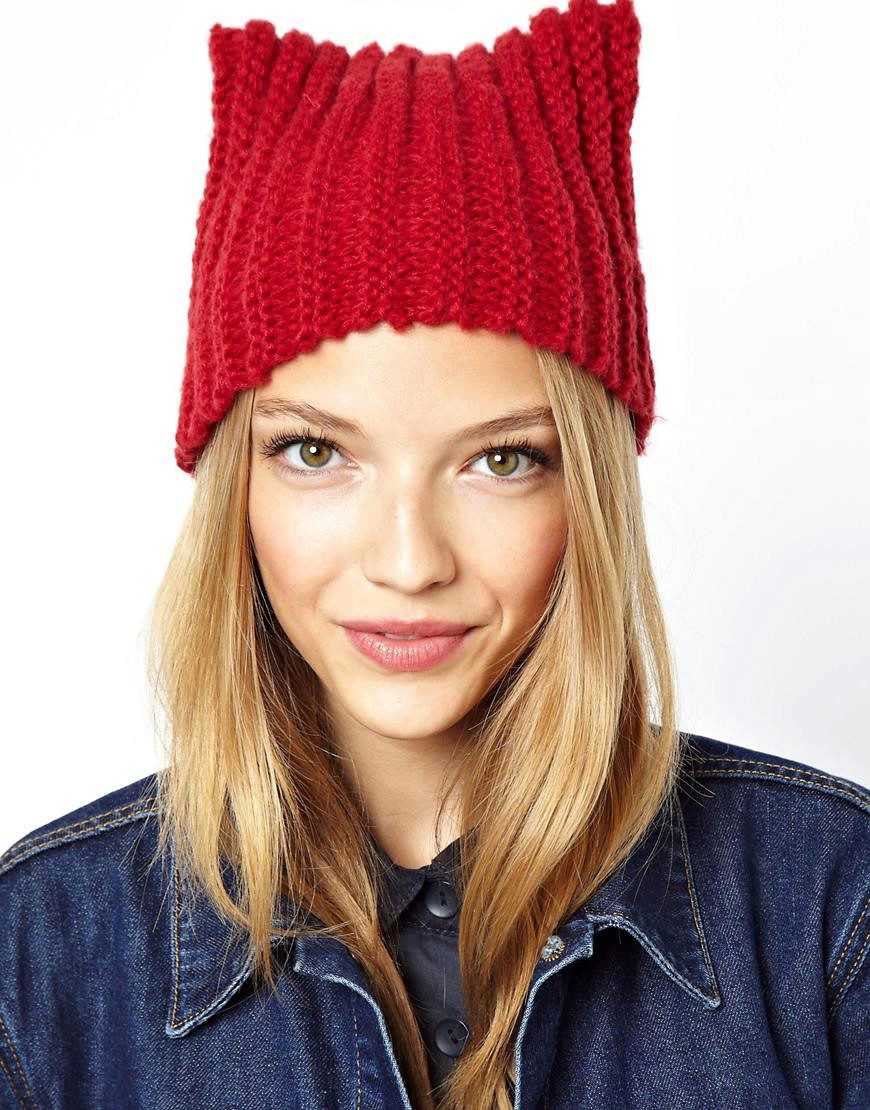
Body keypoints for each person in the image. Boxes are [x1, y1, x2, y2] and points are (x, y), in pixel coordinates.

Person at [0, 1, 866, 1107]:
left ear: (589, 489)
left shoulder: (831, 912)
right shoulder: (38, 961)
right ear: (236, 488)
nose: (409, 563)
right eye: (317, 452)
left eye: (501, 461)